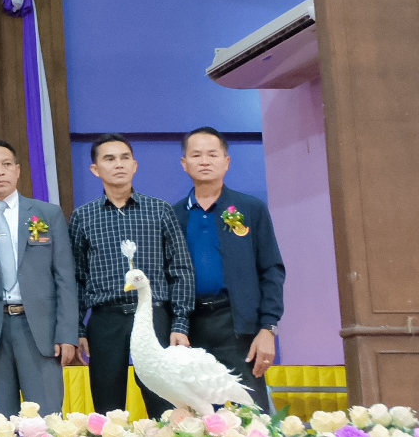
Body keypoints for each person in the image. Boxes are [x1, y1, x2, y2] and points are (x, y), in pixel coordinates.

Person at [70, 134, 195, 417]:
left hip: (154, 316)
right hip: (106, 319)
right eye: (109, 159)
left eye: (125, 158)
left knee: (164, 404)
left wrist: (180, 322)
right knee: (108, 408)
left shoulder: (160, 210)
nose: (119, 164)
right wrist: (78, 329)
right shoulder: (83, 217)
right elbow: (77, 277)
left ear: (135, 165)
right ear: (95, 169)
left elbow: (180, 269)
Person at [171, 126, 285, 411]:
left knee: (252, 414)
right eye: (196, 155)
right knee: (197, 417)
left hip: (238, 326)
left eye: (212, 154)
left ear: (227, 161)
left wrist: (268, 329)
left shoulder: (250, 209)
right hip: (190, 329)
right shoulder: (172, 215)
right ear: (184, 163)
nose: (204, 161)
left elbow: (271, 271)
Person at [0, 140, 78, 415]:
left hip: (40, 330)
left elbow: (65, 277)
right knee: (0, 423)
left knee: (46, 420)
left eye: (6, 164)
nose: (0, 171)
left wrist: (67, 333)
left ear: (17, 170)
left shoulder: (47, 214)